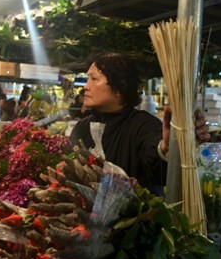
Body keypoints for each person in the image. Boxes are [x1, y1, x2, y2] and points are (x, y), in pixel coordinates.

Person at [69, 52, 209, 194]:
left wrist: (167, 148)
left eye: (94, 79)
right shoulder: (81, 128)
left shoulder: (143, 125)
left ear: (119, 88)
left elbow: (157, 162)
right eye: (88, 78)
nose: (86, 86)